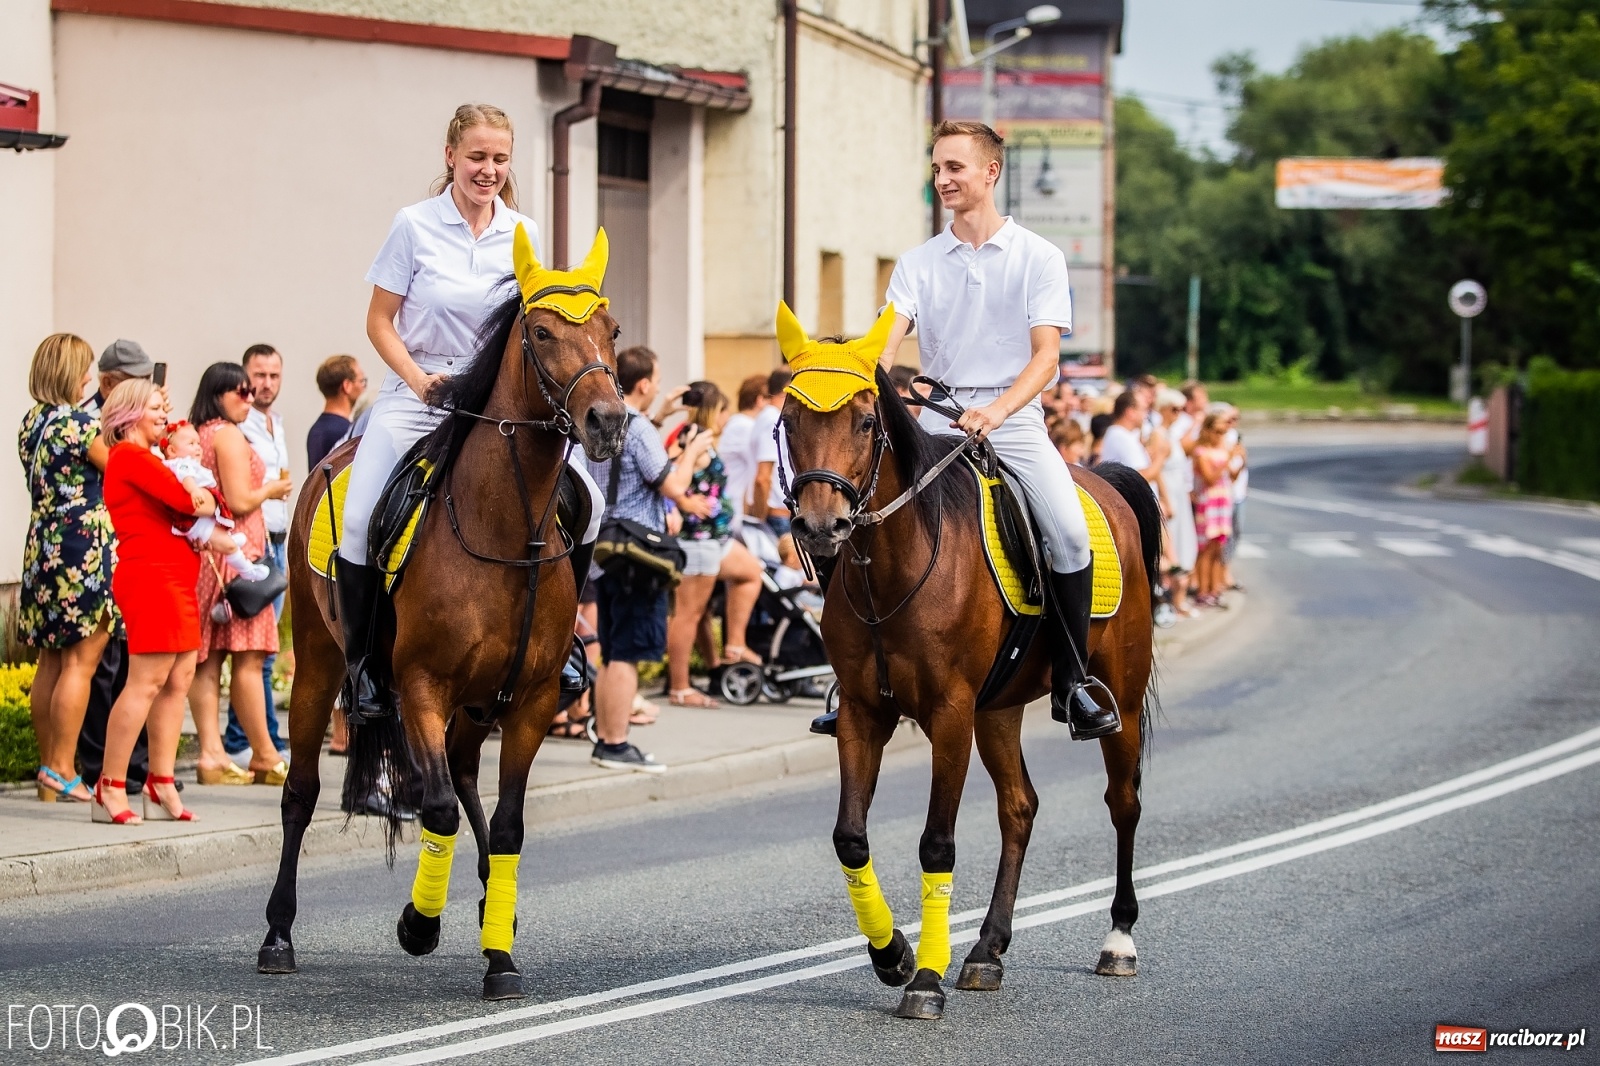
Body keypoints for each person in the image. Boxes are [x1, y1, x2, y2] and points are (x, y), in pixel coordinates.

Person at [335, 103, 604, 719]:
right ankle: (366, 670)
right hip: (420, 393)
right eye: (477, 157)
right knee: (356, 524)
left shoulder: (524, 232)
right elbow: (379, 320)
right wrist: (416, 378)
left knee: (590, 509)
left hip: (494, 406)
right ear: (451, 156)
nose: (488, 170)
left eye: (500, 159)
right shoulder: (413, 225)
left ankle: (561, 645)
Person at [877, 119, 1118, 739]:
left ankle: (1071, 680)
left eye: (954, 167)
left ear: (991, 172)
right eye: (936, 168)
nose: (942, 180)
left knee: (1067, 532)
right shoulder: (917, 263)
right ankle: (857, 671)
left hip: (1011, 423)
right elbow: (884, 347)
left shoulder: (1040, 256)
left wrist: (998, 411)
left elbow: (1046, 359)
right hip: (933, 424)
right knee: (861, 518)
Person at [585, 346, 707, 772]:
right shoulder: (638, 429)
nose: (657, 387)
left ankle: (605, 737)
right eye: (655, 381)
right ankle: (615, 743)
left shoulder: (598, 421)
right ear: (643, 384)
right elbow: (672, 485)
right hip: (639, 555)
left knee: (612, 647)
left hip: (605, 549)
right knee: (627, 653)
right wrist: (692, 452)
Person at [97, 378, 212, 824]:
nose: (164, 414)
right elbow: (188, 501)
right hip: (150, 577)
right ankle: (109, 785)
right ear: (128, 414)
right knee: (145, 680)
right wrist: (196, 499)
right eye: (154, 407)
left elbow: (205, 501)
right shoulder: (128, 456)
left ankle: (159, 781)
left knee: (178, 678)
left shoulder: (153, 458)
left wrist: (199, 500)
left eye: (164, 407)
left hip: (177, 578)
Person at [17, 334, 118, 803]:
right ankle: (62, 768)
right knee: (81, 659)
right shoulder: (79, 425)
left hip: (42, 547)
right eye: (83, 369)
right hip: (82, 550)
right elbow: (121, 469)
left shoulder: (31, 422)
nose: (88, 377)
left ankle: (47, 766)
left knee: (50, 660)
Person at [186, 362, 293, 785]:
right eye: (240, 392)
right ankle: (265, 755)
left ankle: (212, 756)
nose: (249, 398)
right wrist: (271, 489)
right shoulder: (227, 434)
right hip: (240, 559)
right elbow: (238, 500)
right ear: (218, 394)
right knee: (250, 659)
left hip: (211, 557)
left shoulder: (201, 433)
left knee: (208, 660)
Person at [76, 340, 156, 795]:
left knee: (130, 663)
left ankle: (133, 767)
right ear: (109, 382)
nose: (146, 390)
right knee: (106, 667)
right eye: (135, 381)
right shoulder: (100, 429)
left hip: (124, 549)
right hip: (101, 551)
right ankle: (99, 767)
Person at [662, 381, 767, 707]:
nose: (726, 418)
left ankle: (731, 647)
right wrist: (685, 503)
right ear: (714, 411)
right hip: (698, 540)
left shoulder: (698, 437)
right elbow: (669, 474)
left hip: (714, 537)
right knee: (688, 615)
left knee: (751, 572)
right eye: (723, 411)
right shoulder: (692, 439)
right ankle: (680, 687)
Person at [225, 344, 291, 762]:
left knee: (264, 649)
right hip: (252, 544)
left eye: (274, 375)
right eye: (259, 375)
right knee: (254, 650)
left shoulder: (274, 422)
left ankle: (259, 734)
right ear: (245, 378)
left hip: (278, 542)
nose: (266, 384)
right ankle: (243, 739)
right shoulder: (237, 424)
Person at [159, 420, 270, 580]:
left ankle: (229, 539)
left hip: (199, 521)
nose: (198, 447)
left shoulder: (183, 463)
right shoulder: (182, 464)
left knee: (220, 533)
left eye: (198, 442)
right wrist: (194, 490)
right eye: (191, 443)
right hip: (195, 524)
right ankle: (247, 570)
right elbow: (186, 478)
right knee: (230, 547)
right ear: (172, 450)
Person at [1155, 389, 1198, 618]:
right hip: (1169, 492)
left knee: (1183, 540)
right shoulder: (1158, 434)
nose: (1178, 414)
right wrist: (1165, 498)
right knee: (1171, 544)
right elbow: (1157, 469)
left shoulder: (1171, 434)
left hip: (1178, 491)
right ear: (1162, 409)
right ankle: (1171, 599)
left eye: (1181, 410)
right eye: (1174, 409)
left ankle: (1178, 597)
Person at [1192, 411, 1235, 608]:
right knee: (1205, 550)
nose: (1220, 436)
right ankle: (1203, 590)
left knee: (1218, 547)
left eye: (1223, 432)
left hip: (1222, 502)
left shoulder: (1223, 449)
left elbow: (1231, 476)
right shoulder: (1201, 452)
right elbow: (1209, 478)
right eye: (1217, 431)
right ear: (1208, 430)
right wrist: (1227, 460)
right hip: (1208, 503)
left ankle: (1214, 588)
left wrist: (1238, 461)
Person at [748, 367, 793, 536]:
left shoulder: (768, 417)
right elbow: (763, 477)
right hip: (777, 515)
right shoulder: (774, 420)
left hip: (776, 514)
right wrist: (760, 519)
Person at [719, 374, 766, 519]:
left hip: (733, 504)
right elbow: (758, 471)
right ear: (760, 400)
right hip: (738, 508)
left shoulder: (736, 424)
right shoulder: (746, 427)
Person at [307, 355, 367, 467]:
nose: (364, 388)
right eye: (362, 381)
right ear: (347, 386)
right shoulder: (345, 432)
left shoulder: (315, 430)